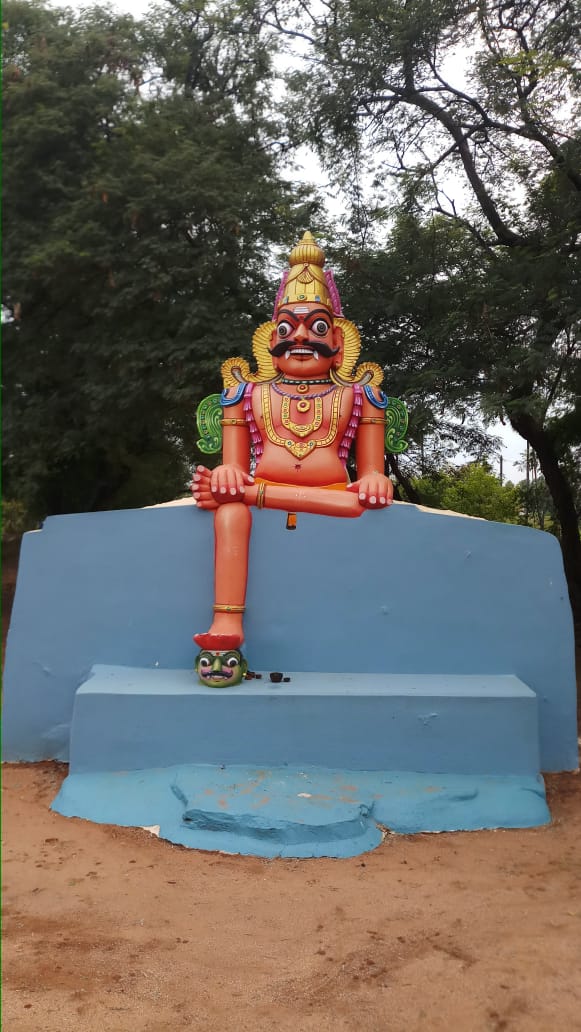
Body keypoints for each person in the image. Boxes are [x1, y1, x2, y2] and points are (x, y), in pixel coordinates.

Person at [192, 232, 393, 654]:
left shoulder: (361, 394)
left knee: (359, 503)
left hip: (334, 494)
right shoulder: (245, 393)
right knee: (230, 509)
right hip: (264, 491)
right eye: (287, 327)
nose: (299, 337)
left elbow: (371, 473)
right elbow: (234, 466)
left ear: (338, 343)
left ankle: (254, 497)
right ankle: (227, 620)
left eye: (317, 327)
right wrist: (228, 476)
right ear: (271, 341)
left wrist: (376, 479)